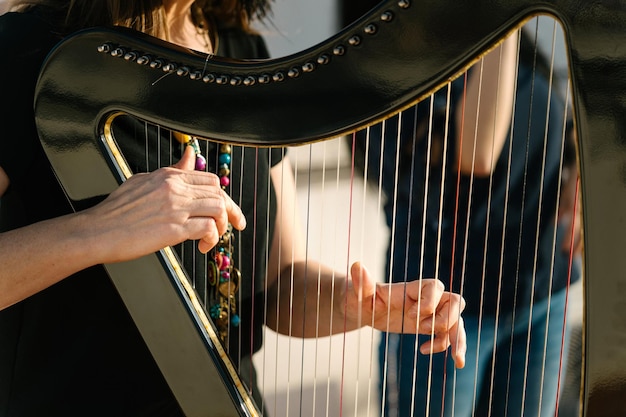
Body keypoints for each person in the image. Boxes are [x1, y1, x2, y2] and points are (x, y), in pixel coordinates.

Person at [0, 1, 467, 415]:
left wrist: (354, 306)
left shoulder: (245, 56)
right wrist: (99, 229)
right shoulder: (25, 55)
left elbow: (280, 281)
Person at [350, 19, 581, 417]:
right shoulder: (400, 68)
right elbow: (478, 153)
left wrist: (579, 174)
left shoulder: (520, 46)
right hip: (441, 313)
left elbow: (556, 110)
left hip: (543, 293)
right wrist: (501, 16)